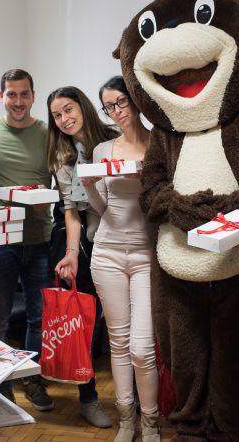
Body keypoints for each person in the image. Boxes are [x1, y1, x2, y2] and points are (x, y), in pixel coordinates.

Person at [0, 69, 54, 411]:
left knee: (38, 318)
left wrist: (52, 197)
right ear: (1, 96)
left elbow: (65, 175)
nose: (18, 101)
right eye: (11, 94)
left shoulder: (48, 133)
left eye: (24, 94)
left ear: (33, 96)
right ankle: (2, 383)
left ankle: (32, 378)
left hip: (40, 238)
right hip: (0, 241)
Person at [80, 76, 159, 442]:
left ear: (135, 100)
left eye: (121, 102)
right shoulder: (102, 150)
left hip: (146, 253)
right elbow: (102, 208)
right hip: (107, 252)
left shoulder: (160, 144)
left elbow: (163, 203)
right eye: (109, 106)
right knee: (119, 342)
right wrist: (89, 189)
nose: (116, 111)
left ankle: (151, 422)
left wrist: (149, 179)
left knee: (143, 348)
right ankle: (127, 420)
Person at [47, 85, 117, 429]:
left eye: (68, 110)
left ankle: (135, 402)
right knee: (85, 328)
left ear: (83, 107)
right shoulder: (63, 157)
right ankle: (89, 398)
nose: (64, 119)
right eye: (57, 115)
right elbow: (71, 211)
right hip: (92, 245)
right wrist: (72, 253)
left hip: (127, 242)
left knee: (126, 331)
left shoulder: (114, 140)